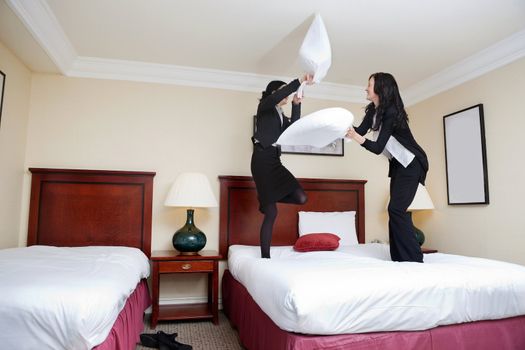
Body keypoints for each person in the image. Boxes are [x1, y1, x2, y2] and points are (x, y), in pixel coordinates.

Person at [346, 72, 429, 263]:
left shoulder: (391, 112)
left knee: (396, 210)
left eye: (369, 85)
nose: (366, 88)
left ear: (380, 89)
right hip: (399, 167)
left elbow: (376, 148)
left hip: (412, 164)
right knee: (396, 210)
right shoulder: (373, 111)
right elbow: (358, 131)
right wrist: (341, 128)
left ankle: (415, 259)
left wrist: (356, 138)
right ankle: (400, 258)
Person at [251, 74, 314, 258]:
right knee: (271, 213)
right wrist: (299, 81)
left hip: (275, 160)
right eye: (283, 92)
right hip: (262, 159)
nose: (285, 95)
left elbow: (295, 127)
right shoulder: (265, 107)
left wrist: (296, 104)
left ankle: (266, 195)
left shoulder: (280, 115)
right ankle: (265, 258)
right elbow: (279, 95)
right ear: (274, 93)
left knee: (301, 197)